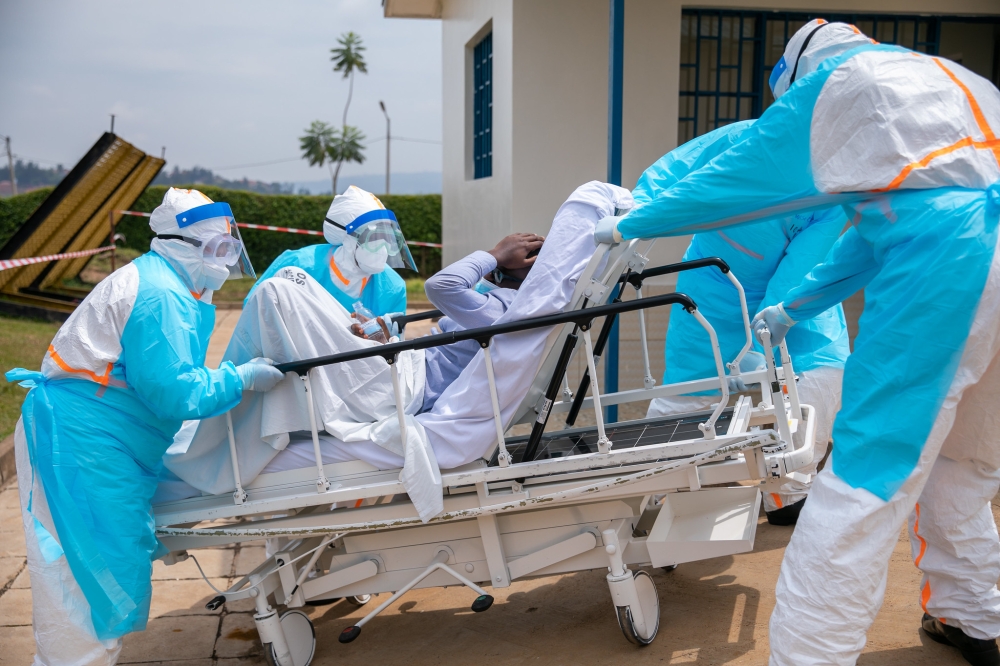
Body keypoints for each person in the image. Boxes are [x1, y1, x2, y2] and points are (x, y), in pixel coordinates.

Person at [595, 20, 1000, 665]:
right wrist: (793, 309)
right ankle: (974, 619)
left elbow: (734, 176)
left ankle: (809, 658)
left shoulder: (839, 86)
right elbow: (867, 239)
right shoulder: (950, 82)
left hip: (952, 265)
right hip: (975, 256)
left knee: (865, 481)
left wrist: (628, 224)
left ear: (798, 68)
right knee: (962, 464)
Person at [6, 187, 284, 666]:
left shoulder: (169, 283)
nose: (225, 259)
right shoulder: (160, 294)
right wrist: (239, 379)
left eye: (229, 247)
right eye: (216, 249)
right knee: (89, 570)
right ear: (180, 244)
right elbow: (172, 392)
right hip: (78, 440)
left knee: (98, 559)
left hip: (96, 433)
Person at [635, 120, 850, 525]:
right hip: (712, 286)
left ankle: (787, 491)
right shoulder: (747, 138)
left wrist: (767, 333)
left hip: (795, 296)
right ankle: (646, 486)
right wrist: (631, 210)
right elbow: (678, 168)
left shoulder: (834, 184)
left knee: (820, 380)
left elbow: (796, 274)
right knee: (685, 392)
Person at [248, 185, 413, 316]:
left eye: (389, 241)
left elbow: (392, 348)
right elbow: (254, 308)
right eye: (373, 239)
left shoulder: (393, 287)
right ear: (348, 240)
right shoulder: (297, 265)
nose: (383, 250)